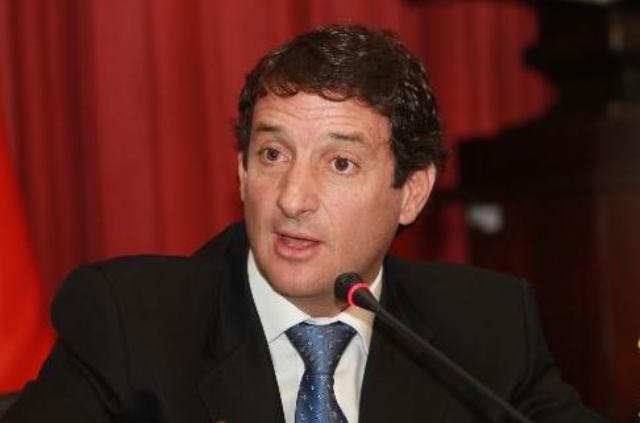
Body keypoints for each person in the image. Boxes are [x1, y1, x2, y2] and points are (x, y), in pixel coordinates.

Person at [3, 24, 603, 423]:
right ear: (242, 172)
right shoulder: (131, 325)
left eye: (340, 163)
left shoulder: (485, 330)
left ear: (413, 193)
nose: (292, 198)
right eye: (272, 154)